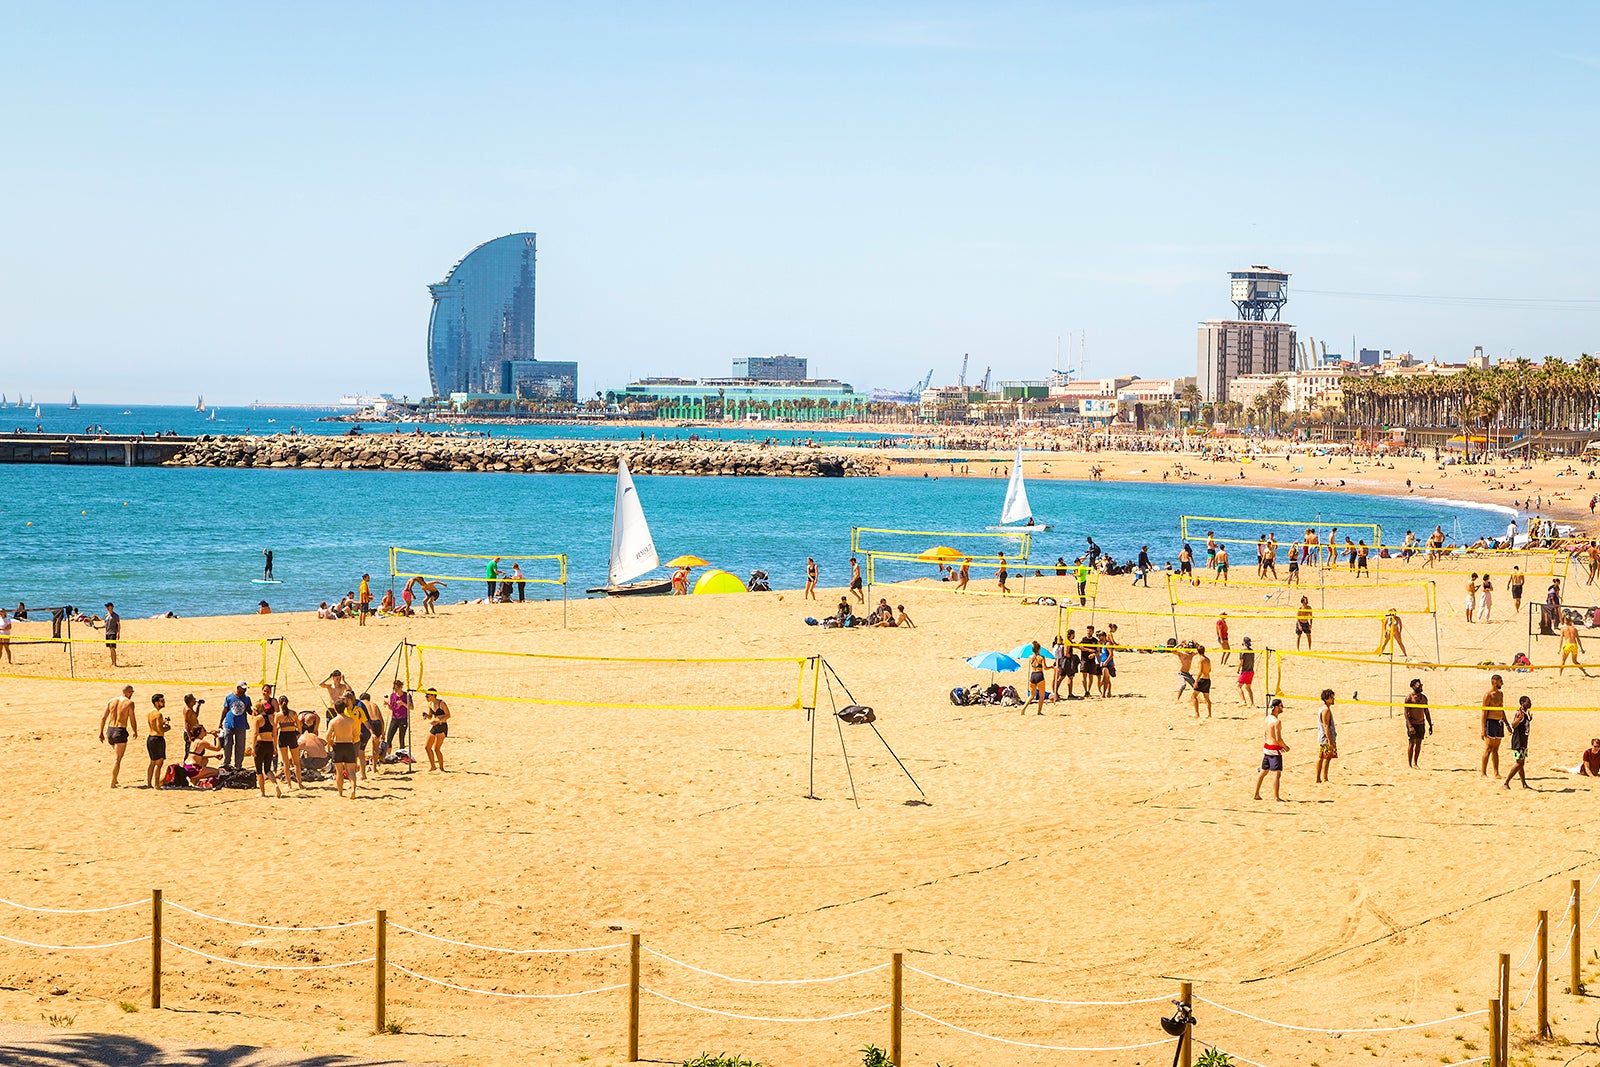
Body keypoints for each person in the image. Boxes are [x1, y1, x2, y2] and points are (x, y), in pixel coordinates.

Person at [99, 685, 137, 787]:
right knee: (118, 759)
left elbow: (103, 717)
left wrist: (101, 732)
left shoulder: (111, 701)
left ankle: (115, 779)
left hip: (110, 730)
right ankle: (113, 781)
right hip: (120, 730)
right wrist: (135, 730)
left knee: (117, 756)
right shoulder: (129, 703)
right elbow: (132, 719)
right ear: (129, 693)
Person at [1254, 697, 1288, 802]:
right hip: (1274, 749)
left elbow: (1266, 733)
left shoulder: (1267, 718)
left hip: (1267, 747)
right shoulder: (1277, 721)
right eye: (1281, 706)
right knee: (1277, 774)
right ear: (1276, 707)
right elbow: (1278, 738)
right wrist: (1285, 747)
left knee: (1263, 772)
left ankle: (1256, 794)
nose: (1283, 707)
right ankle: (1276, 797)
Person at [326, 702, 361, 798]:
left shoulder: (333, 721)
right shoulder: (351, 720)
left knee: (339, 771)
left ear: (335, 709)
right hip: (349, 745)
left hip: (338, 746)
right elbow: (356, 735)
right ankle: (353, 789)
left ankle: (340, 792)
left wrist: (331, 742)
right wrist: (352, 741)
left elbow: (327, 736)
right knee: (351, 771)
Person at [252, 696, 282, 798]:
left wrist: (252, 747)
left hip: (260, 744)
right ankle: (275, 784)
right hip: (269, 744)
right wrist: (274, 747)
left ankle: (262, 792)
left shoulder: (257, 719)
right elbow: (274, 733)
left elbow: (255, 734)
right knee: (268, 769)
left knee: (259, 770)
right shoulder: (271, 718)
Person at [1502, 696, 1533, 790]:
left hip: (1523, 741)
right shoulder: (1519, 713)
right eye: (1528, 702)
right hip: (1518, 741)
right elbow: (1513, 725)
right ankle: (1506, 783)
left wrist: (1529, 719)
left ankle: (1524, 784)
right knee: (1519, 763)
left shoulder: (1525, 713)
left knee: (1521, 763)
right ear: (1522, 703)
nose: (1530, 704)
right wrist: (1519, 719)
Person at [219, 682, 251, 770]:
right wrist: (220, 722)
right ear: (238, 688)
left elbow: (249, 710)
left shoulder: (247, 698)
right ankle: (226, 763)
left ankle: (238, 765)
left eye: (245, 688)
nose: (245, 690)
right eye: (243, 688)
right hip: (229, 724)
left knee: (240, 746)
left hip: (241, 725)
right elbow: (225, 710)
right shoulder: (229, 697)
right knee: (227, 744)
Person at [1481, 673, 1507, 778]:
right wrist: (1483, 729)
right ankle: (1483, 773)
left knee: (1496, 749)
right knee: (1488, 748)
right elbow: (1484, 713)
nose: (1502, 683)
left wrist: (1507, 723)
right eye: (1501, 681)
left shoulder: (1500, 694)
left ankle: (1496, 773)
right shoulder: (1488, 695)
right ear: (1494, 682)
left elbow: (1502, 709)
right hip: (1490, 722)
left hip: (1499, 722)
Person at [1404, 678, 1432, 769]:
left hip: (1421, 723)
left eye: (1421, 685)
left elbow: (1426, 712)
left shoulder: (1424, 698)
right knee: (1412, 743)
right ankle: (1409, 764)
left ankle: (1415, 763)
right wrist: (1409, 726)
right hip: (1412, 723)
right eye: (1418, 685)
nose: (1420, 687)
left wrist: (1430, 725)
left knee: (1419, 743)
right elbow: (1406, 713)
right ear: (1413, 687)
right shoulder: (1409, 698)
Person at [276, 696, 303, 789]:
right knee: (296, 762)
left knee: (285, 762)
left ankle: (289, 784)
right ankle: (299, 783)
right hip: (292, 736)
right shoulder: (294, 713)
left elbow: (275, 728)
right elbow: (299, 727)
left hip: (283, 736)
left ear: (279, 703)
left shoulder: (278, 715)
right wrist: (298, 734)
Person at [145, 693, 169, 789]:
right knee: (159, 763)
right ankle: (156, 785)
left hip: (150, 738)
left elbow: (153, 724)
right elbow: (160, 730)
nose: (163, 702)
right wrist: (167, 727)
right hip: (157, 739)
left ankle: (149, 783)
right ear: (156, 702)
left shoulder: (150, 712)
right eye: (161, 701)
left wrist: (164, 722)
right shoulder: (158, 714)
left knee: (152, 762)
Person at [423, 688, 450, 771]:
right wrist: (426, 715)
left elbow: (448, 715)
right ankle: (433, 766)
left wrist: (438, 720)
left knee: (437, 748)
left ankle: (441, 768)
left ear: (433, 695)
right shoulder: (430, 704)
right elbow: (431, 716)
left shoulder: (441, 703)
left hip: (442, 726)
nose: (426, 697)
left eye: (428, 695)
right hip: (435, 726)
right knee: (427, 747)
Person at [1315, 689, 1338, 783]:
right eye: (1331, 697)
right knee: (1325, 758)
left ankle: (1320, 778)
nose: (1333, 699)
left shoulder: (1323, 708)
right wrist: (1330, 740)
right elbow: (1326, 726)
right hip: (1325, 737)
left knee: (1323, 757)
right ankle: (1323, 778)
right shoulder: (1326, 710)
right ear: (1327, 699)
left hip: (1323, 736)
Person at [386, 679, 412, 756]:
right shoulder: (392, 695)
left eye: (397, 688)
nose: (395, 690)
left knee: (401, 738)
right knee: (389, 737)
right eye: (394, 689)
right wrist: (388, 705)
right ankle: (388, 754)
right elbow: (392, 708)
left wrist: (403, 703)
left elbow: (411, 707)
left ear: (401, 687)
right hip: (394, 718)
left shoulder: (406, 695)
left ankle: (402, 755)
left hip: (403, 719)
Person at [1022, 641, 1048, 715]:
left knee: (1031, 695)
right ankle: (1039, 712)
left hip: (1033, 675)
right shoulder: (1042, 657)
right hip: (1039, 675)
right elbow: (1045, 668)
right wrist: (1052, 667)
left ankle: (1023, 709)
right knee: (1042, 695)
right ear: (1039, 649)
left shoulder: (1030, 657)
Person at [1191, 645, 1212, 718]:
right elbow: (1209, 670)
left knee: (1193, 696)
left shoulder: (1201, 660)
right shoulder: (1208, 659)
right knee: (1207, 698)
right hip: (1208, 679)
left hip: (1202, 679)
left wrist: (1196, 681)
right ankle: (1209, 714)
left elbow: (1200, 672)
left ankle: (1197, 714)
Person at [1236, 637, 1256, 707]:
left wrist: (1238, 669)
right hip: (1251, 671)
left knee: (1237, 686)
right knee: (1248, 688)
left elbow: (1241, 661)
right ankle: (1252, 703)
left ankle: (1243, 701)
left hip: (1245, 671)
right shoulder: (1252, 651)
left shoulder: (1243, 651)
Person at [103, 601, 120, 667]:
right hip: (107, 633)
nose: (107, 608)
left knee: (113, 648)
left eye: (108, 606)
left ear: (111, 607)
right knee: (110, 648)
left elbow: (118, 625)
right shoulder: (106, 615)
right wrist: (98, 627)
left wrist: (118, 633)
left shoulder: (116, 615)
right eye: (106, 606)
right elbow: (105, 625)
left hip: (113, 633)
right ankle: (112, 662)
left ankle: (115, 663)